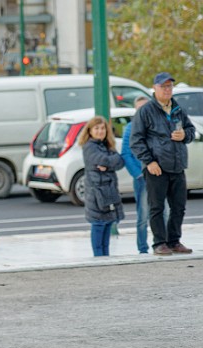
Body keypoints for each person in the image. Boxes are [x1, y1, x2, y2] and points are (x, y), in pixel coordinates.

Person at [130, 72, 194, 255]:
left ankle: (174, 240)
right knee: (156, 207)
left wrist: (184, 136)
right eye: (163, 86)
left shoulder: (177, 109)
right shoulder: (146, 111)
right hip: (156, 167)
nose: (167, 90)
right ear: (155, 88)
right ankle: (159, 243)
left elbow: (190, 130)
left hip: (178, 165)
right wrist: (149, 161)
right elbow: (136, 140)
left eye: (169, 86)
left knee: (179, 207)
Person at [79, 116, 125, 257]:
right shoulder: (89, 147)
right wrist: (110, 162)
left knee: (107, 225)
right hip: (97, 194)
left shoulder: (107, 145)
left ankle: (105, 258)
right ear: (90, 131)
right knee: (98, 225)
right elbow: (104, 160)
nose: (100, 131)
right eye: (96, 128)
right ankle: (99, 259)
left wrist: (108, 165)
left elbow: (120, 161)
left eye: (102, 128)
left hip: (109, 192)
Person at [121, 96, 152, 254]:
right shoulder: (130, 128)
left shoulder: (157, 125)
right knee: (143, 216)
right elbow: (126, 153)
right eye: (139, 108)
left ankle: (164, 244)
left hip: (160, 177)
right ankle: (143, 248)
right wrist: (138, 175)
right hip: (142, 179)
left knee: (165, 212)